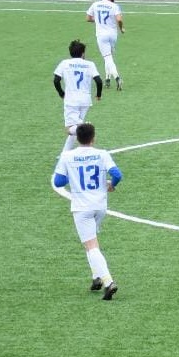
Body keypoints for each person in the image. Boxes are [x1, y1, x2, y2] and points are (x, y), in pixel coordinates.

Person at [52, 121, 122, 300]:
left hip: (82, 208)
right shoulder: (102, 154)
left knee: (91, 246)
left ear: (77, 138)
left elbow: (58, 182)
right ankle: (96, 277)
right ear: (93, 138)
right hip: (100, 206)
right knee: (91, 242)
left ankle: (108, 282)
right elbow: (117, 174)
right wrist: (111, 185)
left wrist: (72, 176)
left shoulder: (68, 156)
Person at [53, 40, 102, 155]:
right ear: (83, 53)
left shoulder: (64, 63)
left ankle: (86, 128)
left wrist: (61, 93)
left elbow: (56, 80)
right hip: (85, 100)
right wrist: (98, 95)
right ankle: (65, 153)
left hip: (71, 100)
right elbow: (99, 81)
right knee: (75, 126)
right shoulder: (90, 64)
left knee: (70, 129)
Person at [85, 0, 124, 89]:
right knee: (109, 56)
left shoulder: (95, 4)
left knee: (107, 57)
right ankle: (107, 79)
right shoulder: (114, 6)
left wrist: (97, 20)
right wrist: (121, 29)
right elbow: (119, 20)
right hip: (113, 35)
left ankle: (117, 78)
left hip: (101, 35)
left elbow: (88, 18)